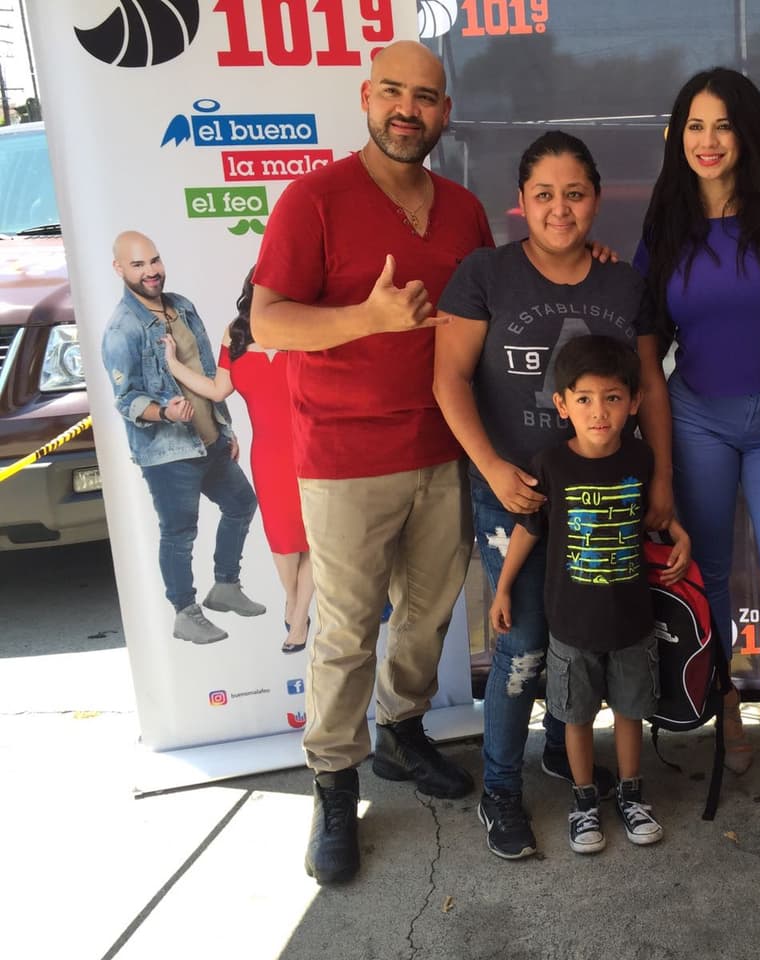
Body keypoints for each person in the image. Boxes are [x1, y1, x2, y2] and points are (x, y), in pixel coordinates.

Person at [250, 40, 487, 885]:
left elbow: (490, 312)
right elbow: (269, 323)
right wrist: (366, 319)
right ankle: (332, 783)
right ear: (365, 96)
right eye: (393, 91)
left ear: (444, 113)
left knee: (428, 614)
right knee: (347, 628)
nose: (408, 110)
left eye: (425, 97)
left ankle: (402, 731)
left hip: (443, 448)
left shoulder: (463, 210)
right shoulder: (313, 199)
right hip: (346, 455)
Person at [435, 130, 674, 860]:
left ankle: (553, 753)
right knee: (525, 642)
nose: (560, 209)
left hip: (602, 500)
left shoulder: (622, 282)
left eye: (574, 194)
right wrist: (494, 469)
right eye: (544, 194)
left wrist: (661, 476)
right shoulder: (486, 274)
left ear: (596, 199)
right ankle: (499, 791)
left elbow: (652, 385)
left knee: (593, 635)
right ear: (521, 202)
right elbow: (448, 377)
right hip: (516, 492)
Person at [634, 68, 760, 842]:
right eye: (694, 125)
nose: (707, 142)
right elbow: (649, 351)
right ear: (678, 136)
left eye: (722, 126)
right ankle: (730, 726)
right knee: (707, 580)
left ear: (749, 133)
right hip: (697, 424)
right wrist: (658, 454)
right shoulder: (669, 222)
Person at [488, 335, 690, 854]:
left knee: (628, 712)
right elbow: (528, 530)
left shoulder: (641, 459)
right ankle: (583, 803)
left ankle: (631, 795)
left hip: (632, 624)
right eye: (584, 399)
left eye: (613, 398)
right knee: (575, 718)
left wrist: (681, 537)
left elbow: (660, 519)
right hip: (571, 628)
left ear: (634, 403)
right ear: (562, 405)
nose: (599, 412)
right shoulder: (551, 463)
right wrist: (503, 587)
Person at [102, 231, 265, 646]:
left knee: (242, 504)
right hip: (168, 452)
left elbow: (209, 370)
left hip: (208, 441)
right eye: (138, 265)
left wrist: (224, 428)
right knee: (179, 532)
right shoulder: (122, 330)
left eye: (154, 260)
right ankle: (185, 611)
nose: (151, 271)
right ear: (119, 269)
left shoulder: (183, 307)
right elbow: (125, 400)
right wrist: (163, 412)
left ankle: (225, 586)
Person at [161, 270, 313, 655]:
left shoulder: (307, 325)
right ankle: (295, 602)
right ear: (252, 292)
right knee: (282, 541)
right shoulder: (235, 332)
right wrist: (174, 364)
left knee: (314, 537)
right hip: (270, 453)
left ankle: (298, 617)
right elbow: (217, 388)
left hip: (313, 446)